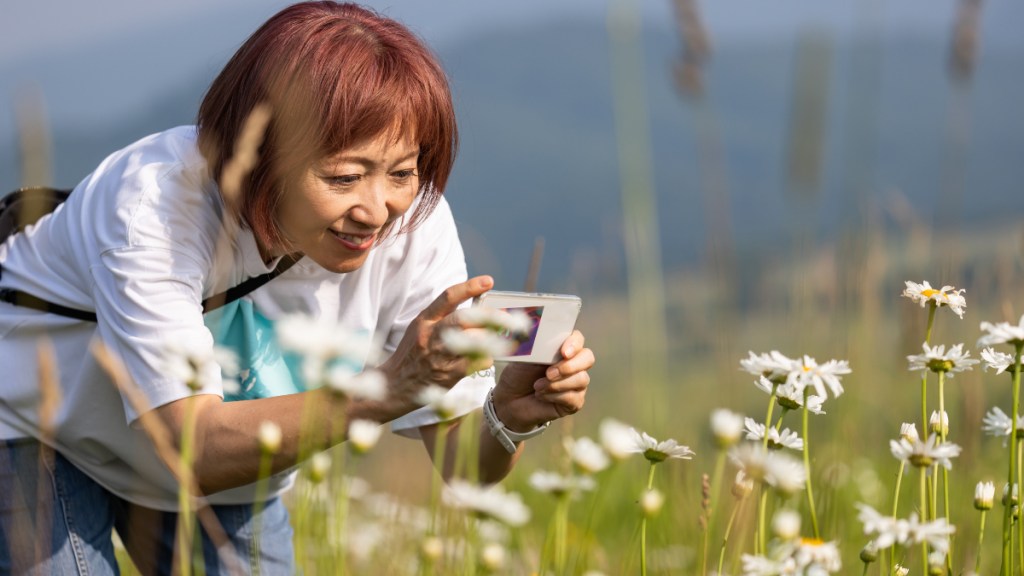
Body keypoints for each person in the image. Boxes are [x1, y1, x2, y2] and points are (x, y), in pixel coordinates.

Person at [0, 2, 595, 574]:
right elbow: (191, 448)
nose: (376, 210)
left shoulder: (415, 225)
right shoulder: (154, 208)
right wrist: (389, 388)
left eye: (402, 172)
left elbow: (463, 469)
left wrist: (508, 417)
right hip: (43, 429)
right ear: (258, 156)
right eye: (343, 176)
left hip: (237, 458)